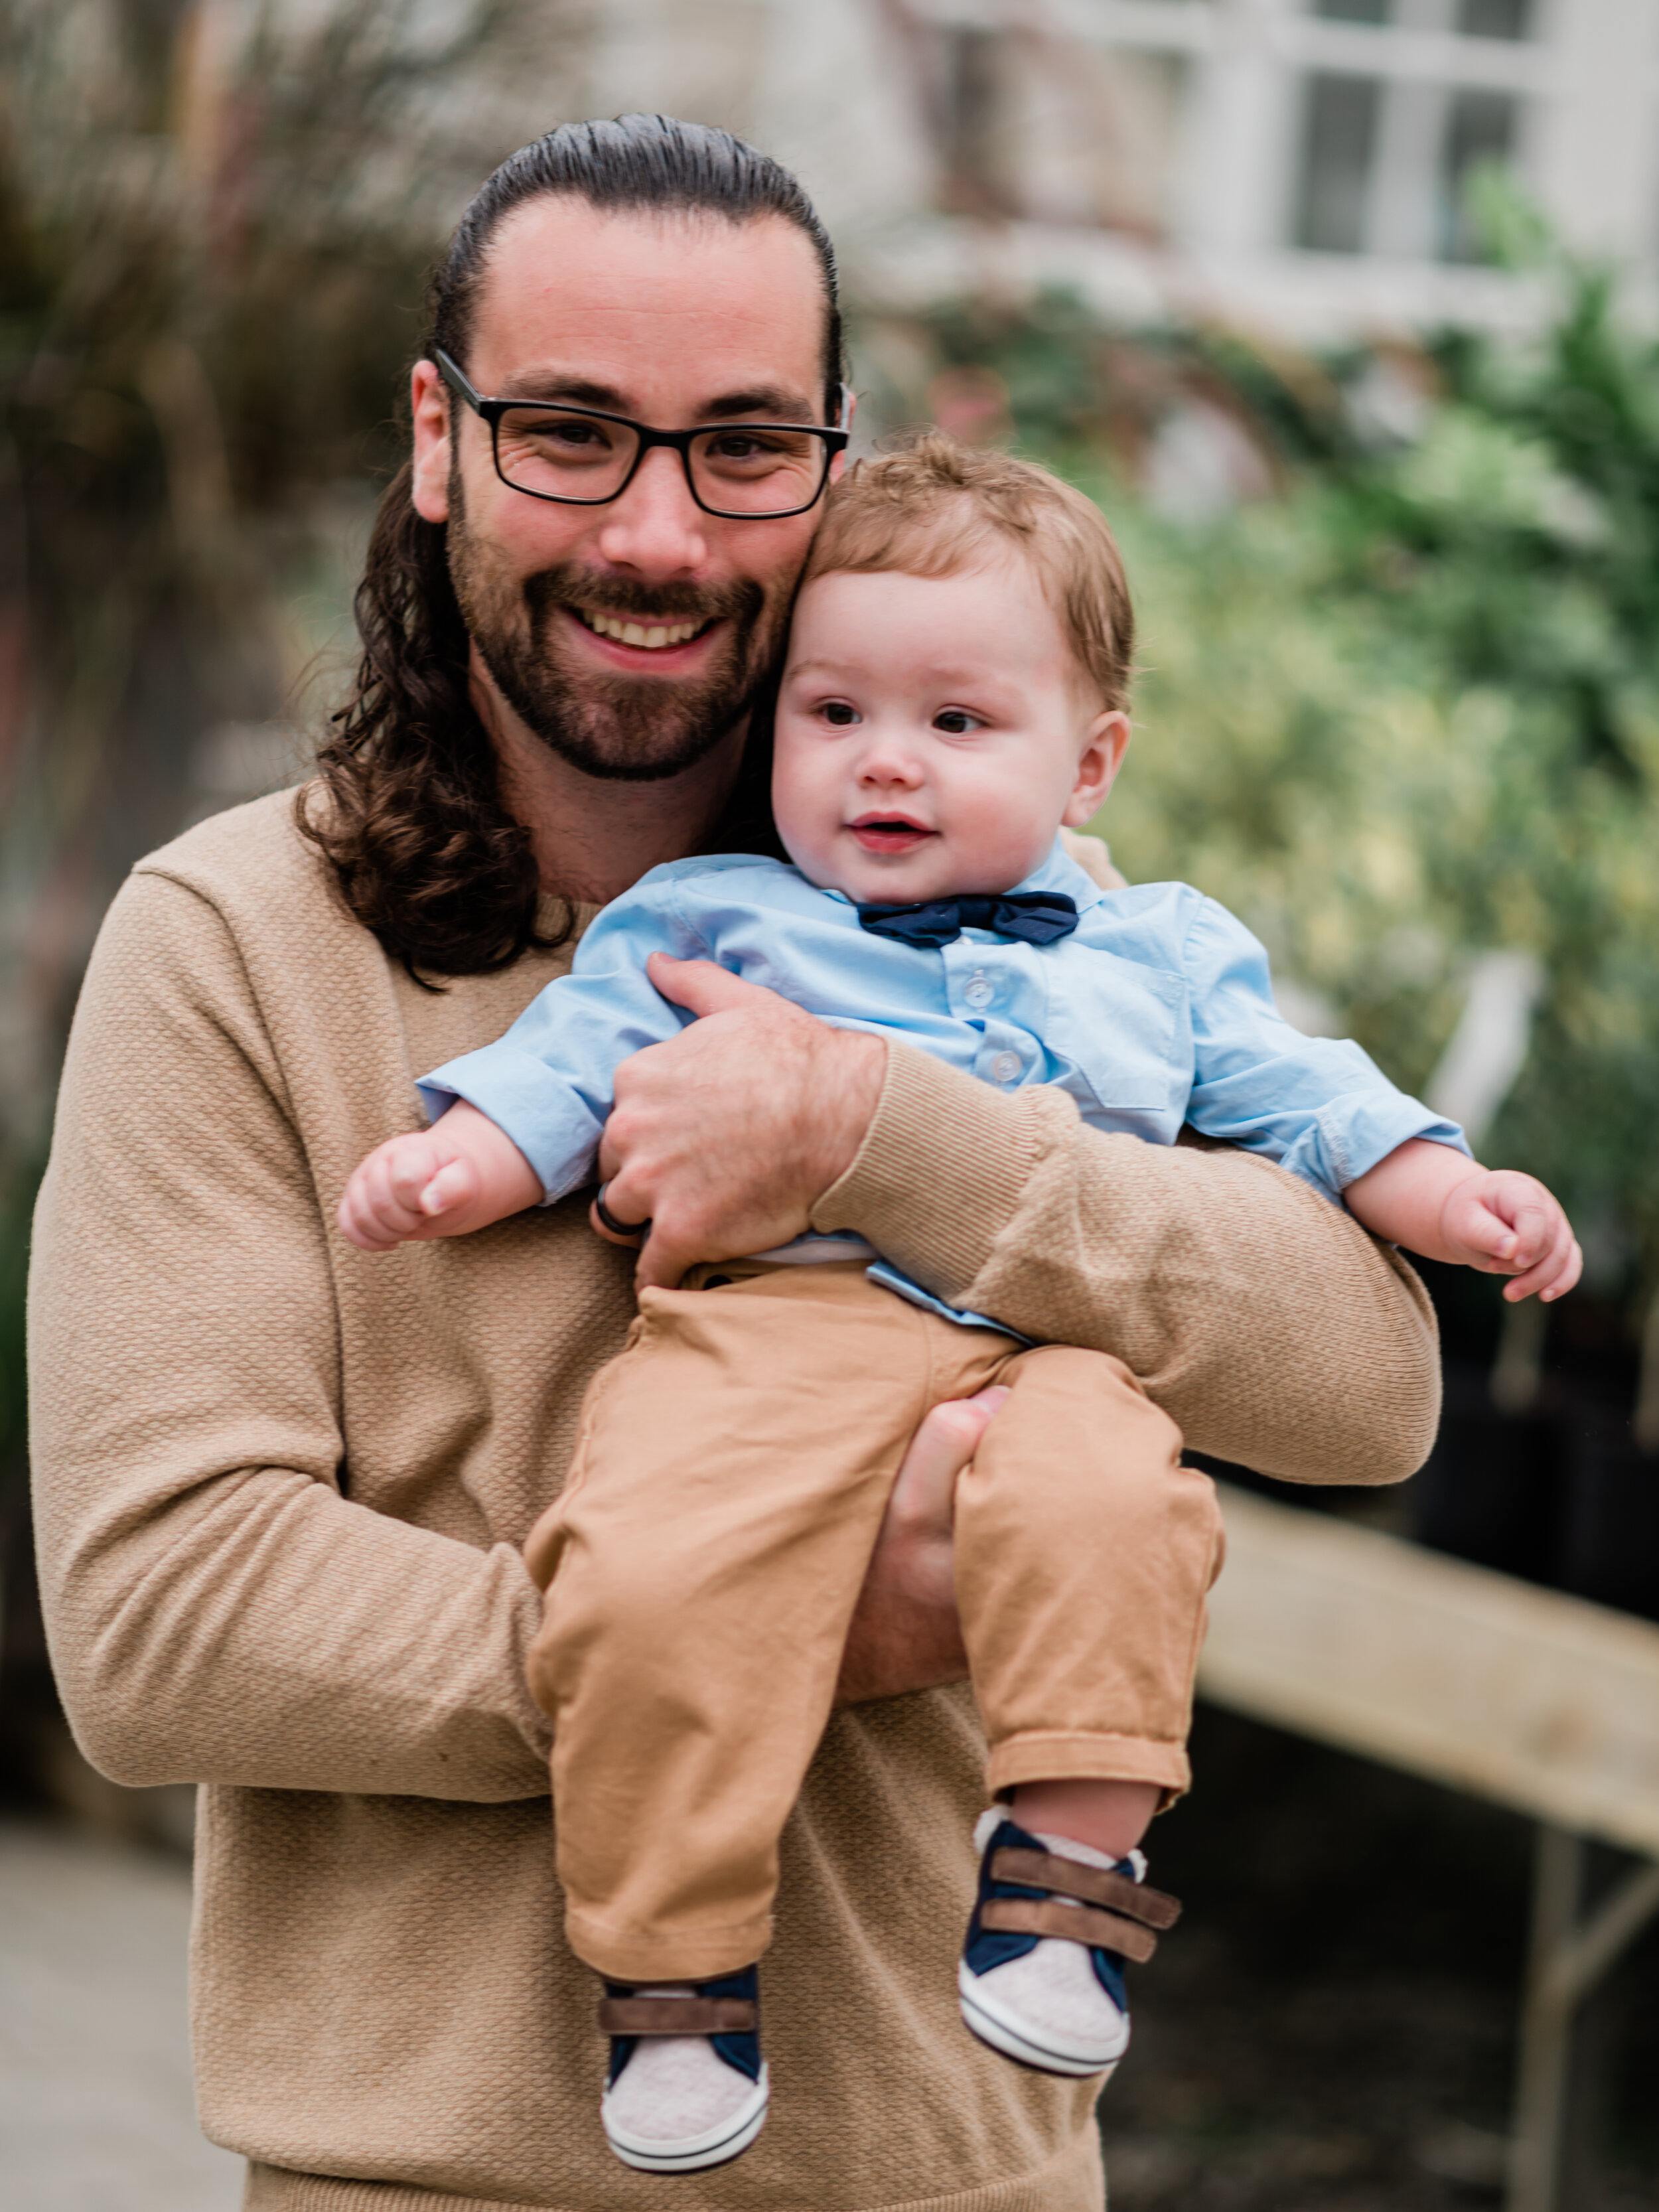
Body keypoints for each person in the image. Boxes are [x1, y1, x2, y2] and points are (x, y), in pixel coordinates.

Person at [31, 117, 1453, 2212]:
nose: (665, 536)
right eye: (572, 434)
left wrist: (888, 1140)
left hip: (960, 2175)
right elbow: (163, 1622)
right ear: (438, 442)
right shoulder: (239, 941)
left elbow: (1368, 1385)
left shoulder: (1021, 919)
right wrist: (757, 1622)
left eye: (744, 446)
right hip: (435, 2188)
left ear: (834, 459)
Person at [338, 433, 1579, 2174]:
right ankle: (674, 1968)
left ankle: (1067, 1878)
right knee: (645, 1574)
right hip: (771, 1334)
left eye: (955, 724)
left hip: (1045, 1342)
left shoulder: (1157, 949)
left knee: (1113, 1510)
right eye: (831, 714)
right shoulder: (720, 914)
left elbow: (1310, 1102)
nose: (882, 766)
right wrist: (457, 1165)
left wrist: (1453, 1195)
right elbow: (569, 1068)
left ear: (1090, 764)